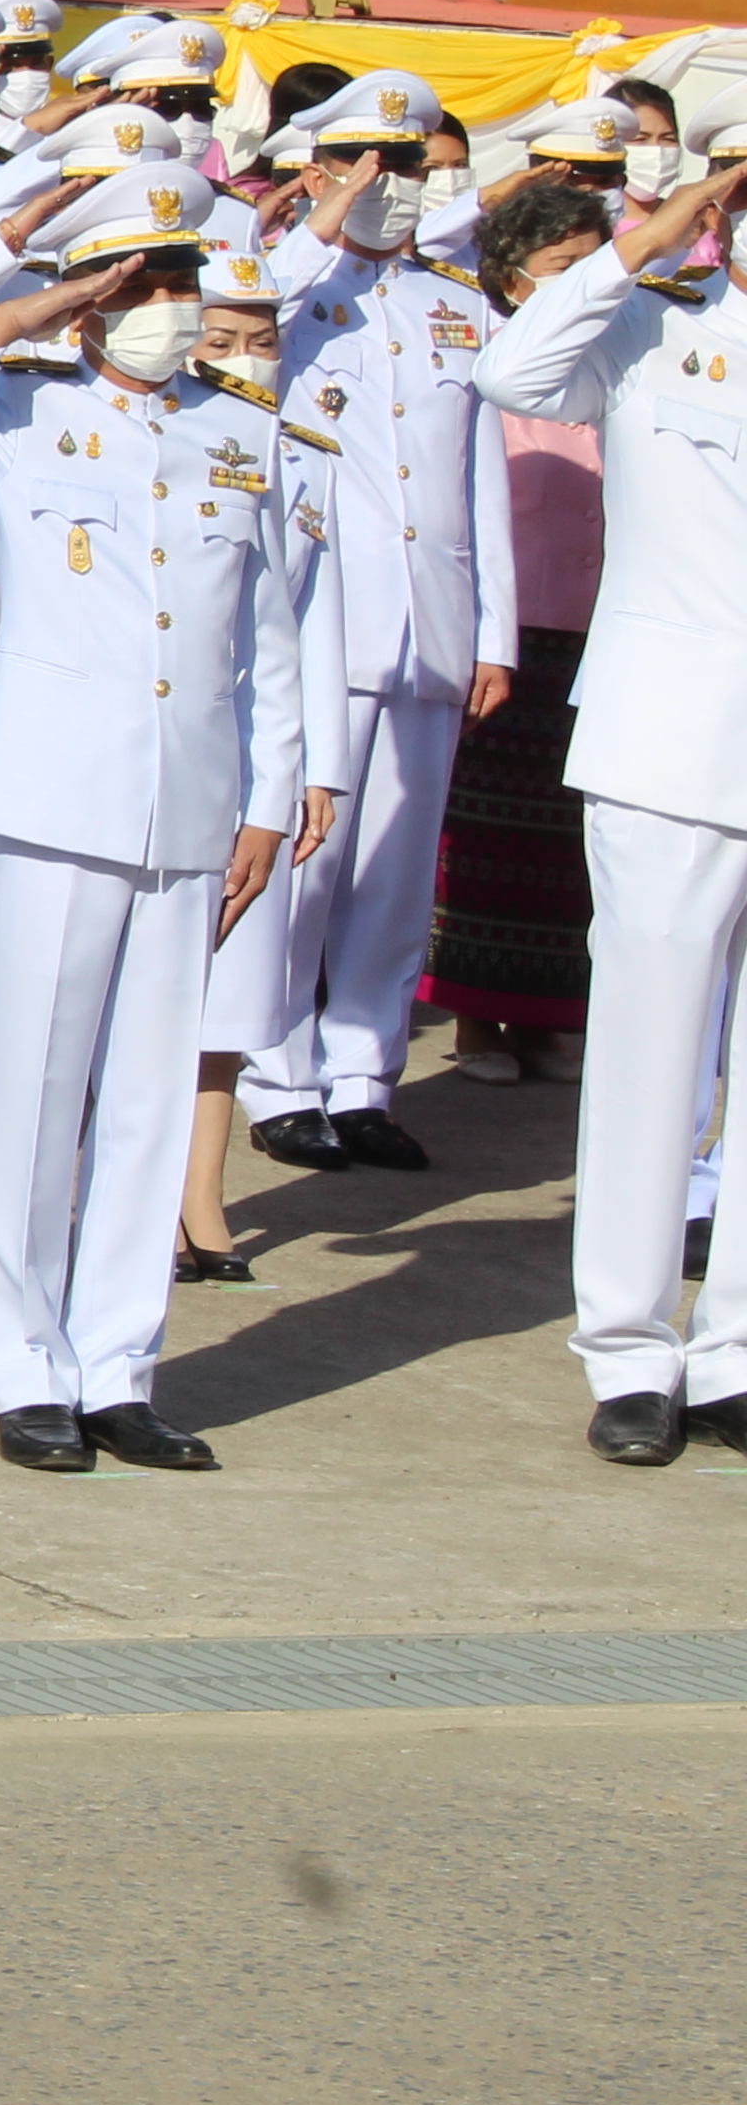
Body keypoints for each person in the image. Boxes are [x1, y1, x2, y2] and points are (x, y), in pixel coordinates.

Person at [0, 167, 314, 1477]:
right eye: (143, 285)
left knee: (153, 1099)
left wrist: (272, 797)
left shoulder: (242, 435)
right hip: (58, 800)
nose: (170, 307)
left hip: (189, 804)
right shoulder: (15, 412)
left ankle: (120, 1365)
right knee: (41, 1089)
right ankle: (26, 1365)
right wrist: (21, 313)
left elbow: (269, 639)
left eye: (182, 284)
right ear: (93, 305)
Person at [471, 110, 747, 1465]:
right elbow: (513, 370)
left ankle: (739, 1350)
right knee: (649, 1056)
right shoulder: (646, 323)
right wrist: (651, 234)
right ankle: (633, 1349)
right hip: (669, 748)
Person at [236, 80, 514, 1175]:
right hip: (325, 623)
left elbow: (474, 471)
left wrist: (496, 627)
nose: (392, 189)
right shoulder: (285, 285)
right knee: (308, 861)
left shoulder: (452, 302)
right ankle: (275, 1068)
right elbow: (246, 327)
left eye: (408, 168)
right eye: (369, 165)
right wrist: (317, 225)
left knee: (397, 872)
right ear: (321, 170)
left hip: (429, 625)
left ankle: (363, 1077)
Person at [428, 174, 615, 1084]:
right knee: (488, 833)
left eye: (593, 263)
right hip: (510, 636)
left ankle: (546, 1016)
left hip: (598, 633)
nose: (580, 281)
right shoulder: (487, 367)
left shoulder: (618, 359)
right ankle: (476, 1020)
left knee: (567, 839)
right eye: (559, 266)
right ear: (510, 277)